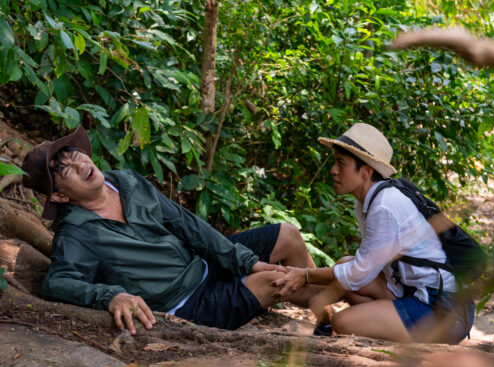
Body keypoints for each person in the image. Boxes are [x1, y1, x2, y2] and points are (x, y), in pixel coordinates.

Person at [21, 126, 316, 335]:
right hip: (186, 305)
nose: (80, 163)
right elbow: (57, 282)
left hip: (203, 266)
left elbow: (187, 224)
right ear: (59, 196)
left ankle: (327, 302)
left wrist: (245, 261)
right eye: (65, 170)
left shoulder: (127, 181)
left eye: (74, 154)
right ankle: (333, 301)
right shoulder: (76, 231)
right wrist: (112, 296)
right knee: (271, 281)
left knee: (288, 234)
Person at [272, 123, 475, 343]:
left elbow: (359, 273)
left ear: (367, 171)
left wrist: (305, 275)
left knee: (343, 323)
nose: (333, 170)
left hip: (442, 310)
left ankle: (387, 324)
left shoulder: (384, 205)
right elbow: (362, 270)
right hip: (412, 292)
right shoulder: (368, 202)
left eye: (341, 163)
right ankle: (381, 320)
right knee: (343, 266)